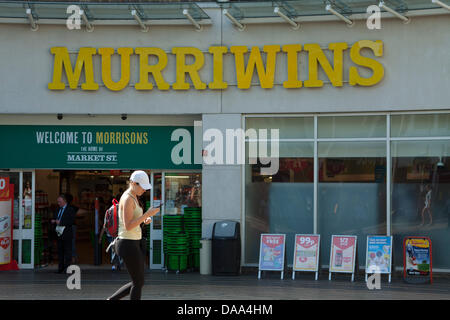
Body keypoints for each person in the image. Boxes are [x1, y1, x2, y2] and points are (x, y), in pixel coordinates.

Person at [108, 171, 159, 300]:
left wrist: (144, 219)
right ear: (133, 183)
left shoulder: (133, 196)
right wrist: (147, 215)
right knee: (138, 282)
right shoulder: (127, 198)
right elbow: (128, 225)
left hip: (132, 242)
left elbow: (134, 222)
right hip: (127, 243)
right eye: (142, 186)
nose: (144, 190)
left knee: (138, 282)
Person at [50, 194, 77, 274]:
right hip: (59, 233)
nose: (58, 203)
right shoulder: (58, 209)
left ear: (64, 201)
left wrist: (61, 222)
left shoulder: (70, 209)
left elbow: (71, 221)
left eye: (60, 201)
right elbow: (55, 217)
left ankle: (67, 268)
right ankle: (60, 268)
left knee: (67, 251)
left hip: (67, 233)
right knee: (60, 251)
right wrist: (54, 221)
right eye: (58, 202)